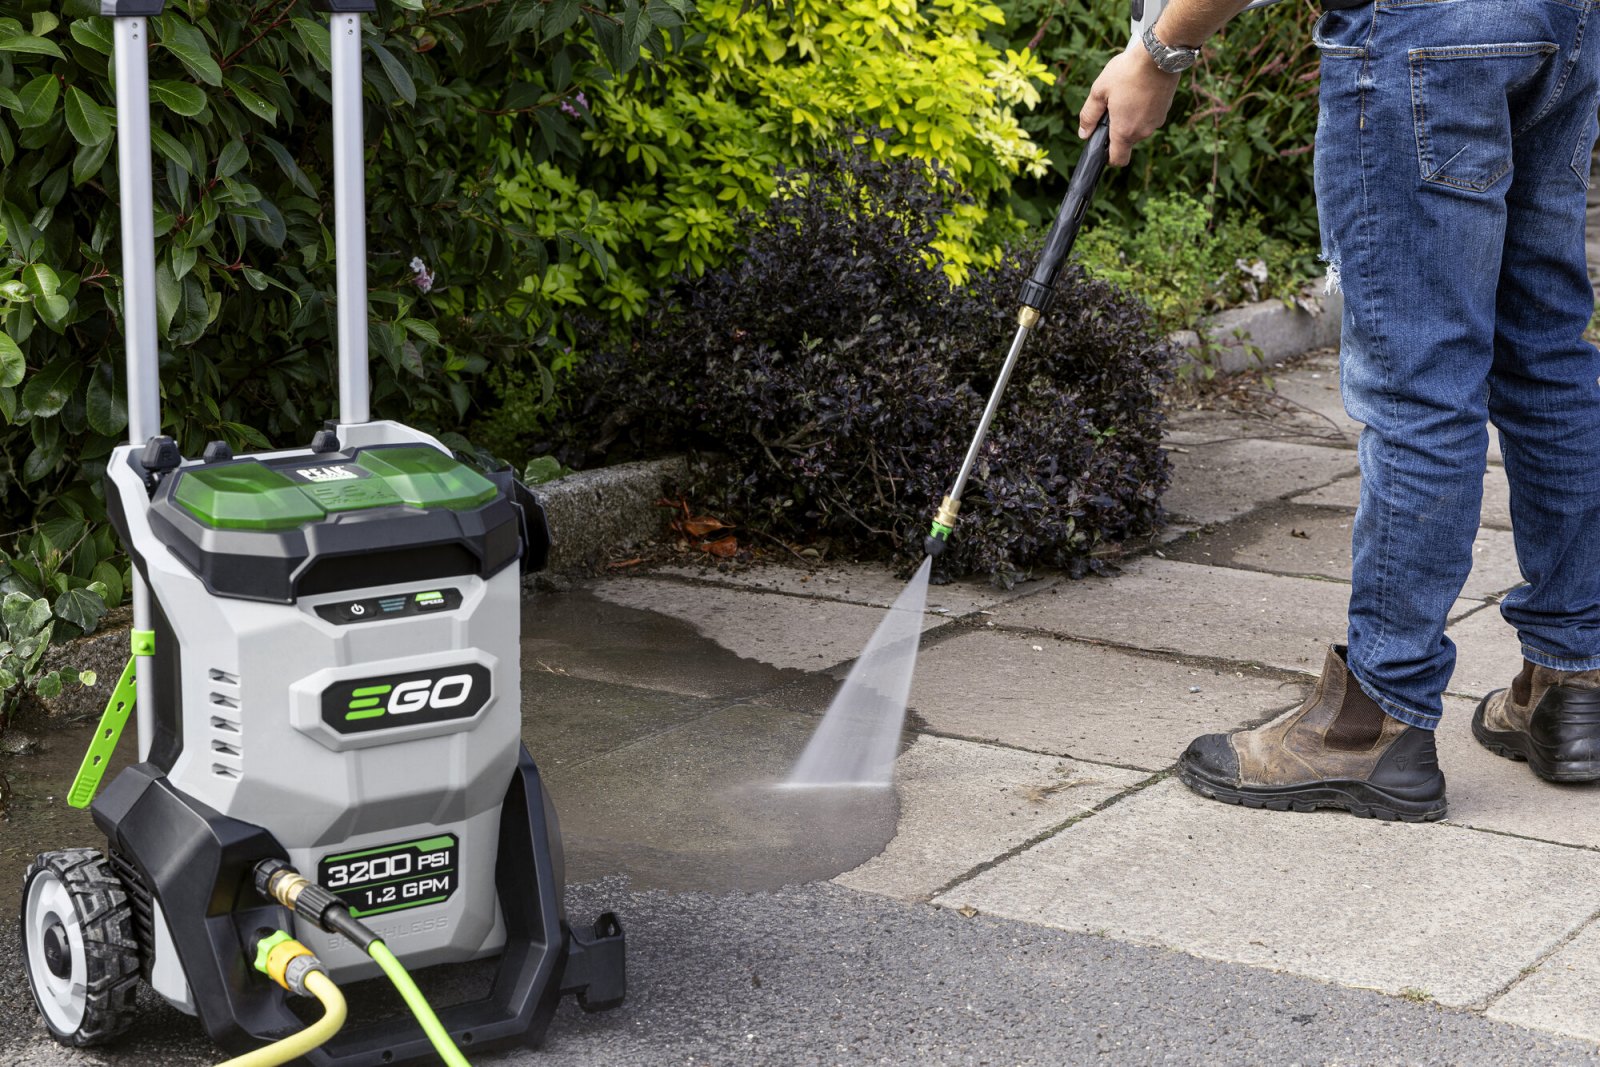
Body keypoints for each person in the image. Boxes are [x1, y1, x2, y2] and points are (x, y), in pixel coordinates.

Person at [1081, 0, 1600, 821]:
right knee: (1546, 352)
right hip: (1563, 23)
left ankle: (1372, 721)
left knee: (1419, 379)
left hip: (1426, 32)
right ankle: (1575, 678)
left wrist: (1160, 51)